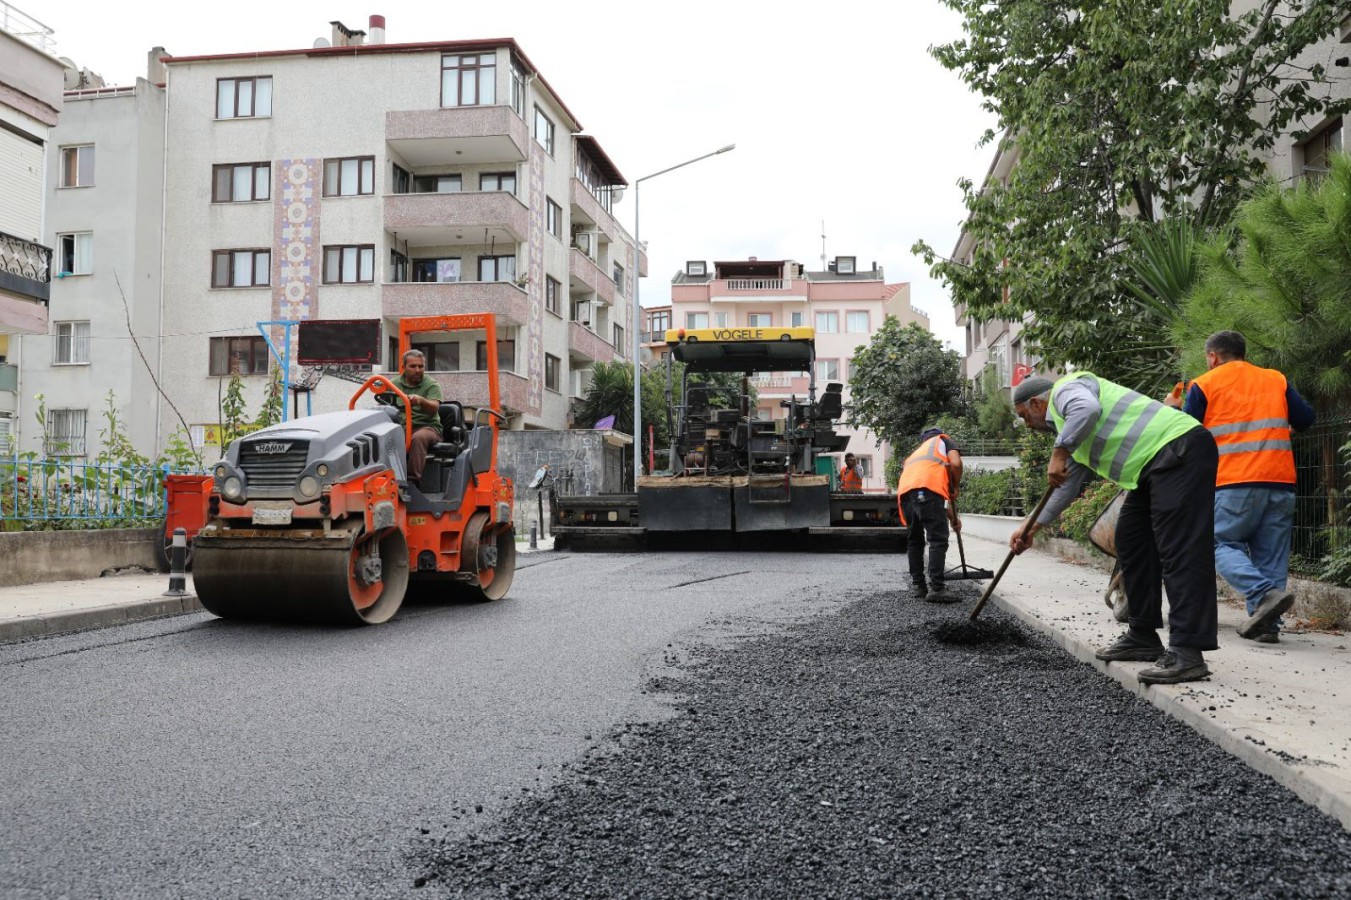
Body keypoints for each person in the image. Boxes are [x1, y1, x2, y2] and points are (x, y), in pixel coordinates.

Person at [1010, 372, 1219, 684]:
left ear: (1038, 403)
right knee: (1132, 541)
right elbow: (1065, 487)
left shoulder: (1067, 390)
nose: (1027, 425)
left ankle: (1188, 652)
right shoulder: (1073, 436)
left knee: (1179, 550)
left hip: (1178, 448)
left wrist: (1059, 450)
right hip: (1151, 467)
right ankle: (1142, 635)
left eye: (1025, 416)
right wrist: (1030, 526)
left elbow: (1087, 409)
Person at [1167, 331, 1315, 643]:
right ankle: (1267, 627)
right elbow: (1305, 418)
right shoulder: (1275, 379)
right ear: (1242, 353)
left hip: (1233, 480)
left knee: (1217, 543)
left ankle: (1262, 594)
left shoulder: (1204, 384)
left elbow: (1185, 435)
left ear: (1212, 357)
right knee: (1271, 555)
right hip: (1280, 480)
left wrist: (1171, 409)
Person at [896, 426, 963, 602]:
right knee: (937, 539)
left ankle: (919, 586)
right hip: (926, 491)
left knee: (915, 540)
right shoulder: (944, 441)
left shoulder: (918, 453)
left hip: (906, 493)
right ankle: (937, 589)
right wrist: (955, 486)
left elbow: (935, 501)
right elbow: (955, 464)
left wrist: (953, 518)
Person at [389, 349, 443, 483]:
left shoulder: (431, 385)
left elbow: (434, 408)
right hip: (401, 428)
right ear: (403, 367)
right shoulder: (392, 385)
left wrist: (421, 400)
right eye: (413, 366)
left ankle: (412, 482)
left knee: (418, 438)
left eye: (421, 366)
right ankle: (386, 478)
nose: (417, 370)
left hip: (428, 428)